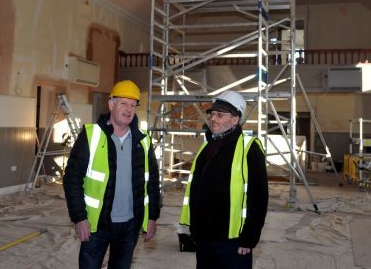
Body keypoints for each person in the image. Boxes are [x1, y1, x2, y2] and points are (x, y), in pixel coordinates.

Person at [63, 80, 160, 269]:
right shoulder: (91, 135)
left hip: (130, 225)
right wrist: (79, 218)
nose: (129, 109)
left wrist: (152, 217)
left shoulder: (143, 141)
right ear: (111, 104)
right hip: (96, 225)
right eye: (123, 103)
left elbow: (153, 183)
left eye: (133, 104)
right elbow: (72, 179)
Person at [180, 90, 268, 269]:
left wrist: (250, 237)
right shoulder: (207, 146)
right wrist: (195, 229)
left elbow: (259, 197)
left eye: (220, 115)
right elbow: (197, 190)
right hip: (204, 237)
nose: (213, 119)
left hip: (233, 241)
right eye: (212, 114)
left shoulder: (249, 149)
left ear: (235, 119)